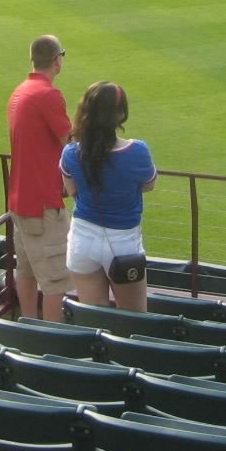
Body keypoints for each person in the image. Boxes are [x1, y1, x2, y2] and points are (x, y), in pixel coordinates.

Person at [60, 82, 155, 312]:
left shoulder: (71, 152)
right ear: (121, 114)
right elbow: (148, 185)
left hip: (83, 240)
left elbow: (72, 191)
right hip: (123, 243)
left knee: (96, 321)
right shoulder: (138, 151)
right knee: (134, 323)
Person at [8, 35, 72, 322]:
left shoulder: (20, 91)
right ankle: (51, 345)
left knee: (27, 270)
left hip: (21, 200)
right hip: (44, 203)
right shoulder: (47, 95)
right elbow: (70, 143)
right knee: (55, 282)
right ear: (57, 60)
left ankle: (28, 331)